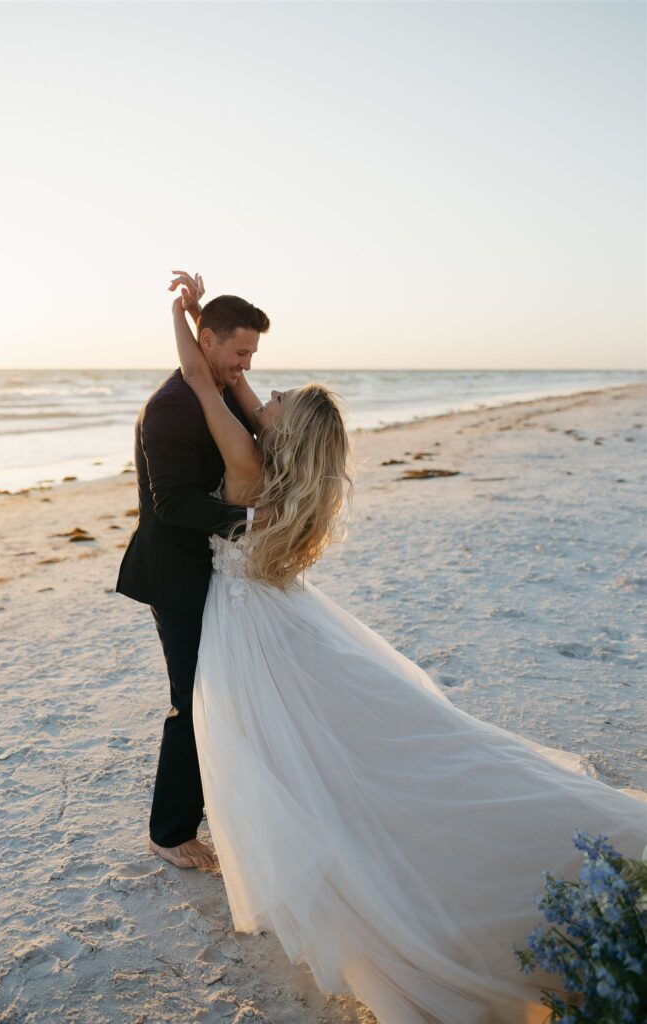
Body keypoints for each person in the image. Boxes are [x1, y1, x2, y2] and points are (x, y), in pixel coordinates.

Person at [170, 271, 646, 1024]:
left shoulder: (246, 463)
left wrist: (184, 316)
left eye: (279, 398)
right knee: (355, 744)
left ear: (285, 430)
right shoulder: (289, 470)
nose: (267, 394)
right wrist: (203, 319)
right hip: (276, 615)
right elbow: (228, 385)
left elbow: (203, 381)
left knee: (293, 756)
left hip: (252, 627)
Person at [115, 279, 270, 869]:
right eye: (240, 353)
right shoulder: (170, 408)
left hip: (220, 567)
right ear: (207, 341)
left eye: (252, 355)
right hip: (176, 572)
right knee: (190, 696)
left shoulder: (218, 387)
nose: (246, 365)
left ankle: (217, 806)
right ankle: (170, 831)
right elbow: (173, 503)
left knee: (222, 688)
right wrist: (255, 518)